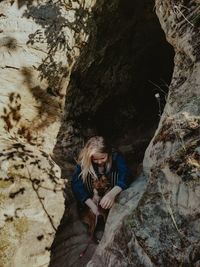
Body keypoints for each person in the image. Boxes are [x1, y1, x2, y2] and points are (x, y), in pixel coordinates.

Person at [71, 136, 131, 216]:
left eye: (102, 158)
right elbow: (76, 184)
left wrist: (111, 194)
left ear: (108, 153)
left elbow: (126, 173)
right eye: (95, 159)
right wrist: (91, 205)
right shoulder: (84, 160)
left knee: (117, 174)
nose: (99, 162)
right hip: (92, 193)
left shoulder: (115, 155)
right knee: (84, 174)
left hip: (113, 188)